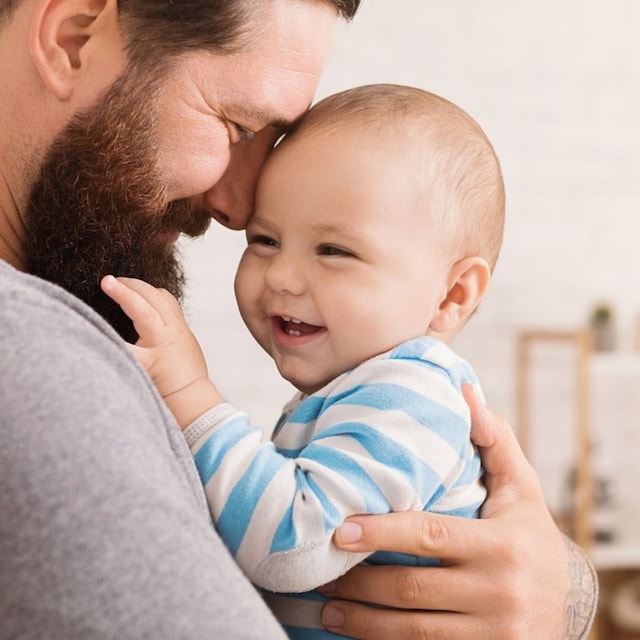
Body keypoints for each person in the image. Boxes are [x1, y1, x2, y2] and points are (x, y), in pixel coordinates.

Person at [0, 0, 597, 638]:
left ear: (453, 294)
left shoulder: (401, 390)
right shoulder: (28, 343)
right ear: (72, 39)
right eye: (236, 126)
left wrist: (554, 589)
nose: (237, 206)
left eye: (335, 251)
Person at [102, 83, 505, 639]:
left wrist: (190, 394)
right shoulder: (357, 390)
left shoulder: (413, 395)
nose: (283, 277)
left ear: (451, 296)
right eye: (264, 240)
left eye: (334, 251)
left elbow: (293, 545)